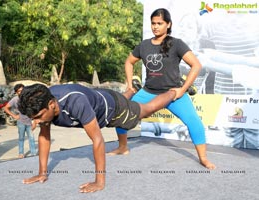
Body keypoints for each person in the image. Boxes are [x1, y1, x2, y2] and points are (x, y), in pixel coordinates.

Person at [107, 8, 216, 170]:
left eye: (160, 23)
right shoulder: (144, 46)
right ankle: (123, 147)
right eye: (153, 23)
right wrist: (129, 84)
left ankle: (203, 158)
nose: (156, 26)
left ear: (168, 24)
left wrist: (183, 89)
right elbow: (129, 62)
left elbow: (196, 65)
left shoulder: (176, 44)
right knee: (123, 114)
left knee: (195, 123)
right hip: (148, 92)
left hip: (173, 94)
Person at [18, 83, 175, 193]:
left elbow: (98, 140)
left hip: (114, 110)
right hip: (99, 97)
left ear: (52, 104)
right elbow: (44, 136)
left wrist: (99, 181)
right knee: (119, 98)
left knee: (146, 110)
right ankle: (132, 89)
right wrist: (42, 172)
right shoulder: (43, 101)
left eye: (38, 117)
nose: (35, 122)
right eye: (33, 118)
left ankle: (175, 91)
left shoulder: (75, 102)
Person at [4, 84, 37, 159]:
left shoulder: (30, 99)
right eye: (19, 91)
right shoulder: (15, 99)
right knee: (21, 138)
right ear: (16, 92)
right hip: (21, 122)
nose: (21, 92)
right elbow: (6, 108)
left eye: (22, 90)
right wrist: (14, 116)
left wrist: (35, 122)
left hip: (29, 121)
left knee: (31, 138)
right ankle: (21, 153)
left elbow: (34, 110)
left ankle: (33, 153)